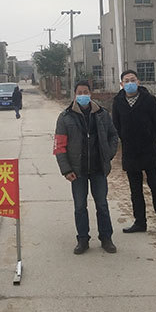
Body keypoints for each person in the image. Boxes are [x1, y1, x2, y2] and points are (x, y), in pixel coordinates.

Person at [53, 80, 119, 254]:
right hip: (77, 171)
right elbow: (59, 146)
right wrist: (66, 169)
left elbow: (113, 135)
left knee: (102, 204)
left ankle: (106, 238)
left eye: (86, 92)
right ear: (75, 95)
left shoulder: (102, 114)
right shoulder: (65, 117)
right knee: (80, 206)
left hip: (98, 169)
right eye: (80, 93)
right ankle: (82, 239)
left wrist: (108, 154)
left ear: (91, 94)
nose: (83, 95)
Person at [112, 69, 156, 233]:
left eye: (133, 80)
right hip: (130, 152)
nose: (130, 83)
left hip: (149, 150)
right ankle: (140, 222)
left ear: (138, 82)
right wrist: (126, 138)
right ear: (121, 84)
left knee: (155, 184)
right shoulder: (117, 102)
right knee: (135, 189)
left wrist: (152, 140)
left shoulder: (149, 99)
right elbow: (116, 124)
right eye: (126, 81)